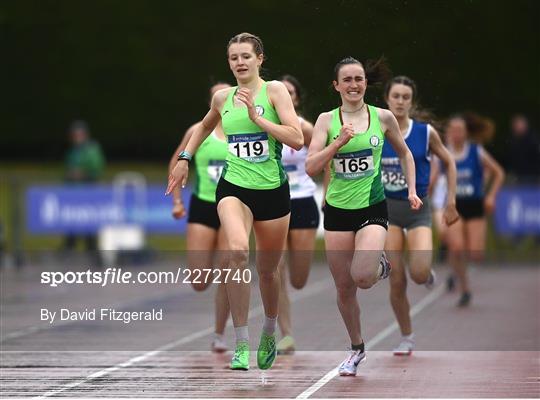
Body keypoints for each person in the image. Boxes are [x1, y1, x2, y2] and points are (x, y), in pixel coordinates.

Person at [166, 33, 303, 371]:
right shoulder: (222, 98)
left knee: (269, 272)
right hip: (233, 187)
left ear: (260, 59)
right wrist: (185, 157)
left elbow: (297, 139)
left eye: (245, 56)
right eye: (233, 58)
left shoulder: (275, 91)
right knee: (237, 253)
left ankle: (269, 331)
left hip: (272, 190)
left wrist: (258, 119)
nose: (240, 62)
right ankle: (241, 342)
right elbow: (202, 128)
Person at [306, 57, 422, 376]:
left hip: (372, 208)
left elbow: (406, 153)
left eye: (359, 78)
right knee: (344, 288)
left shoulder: (382, 118)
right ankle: (356, 349)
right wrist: (338, 143)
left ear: (365, 84)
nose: (354, 84)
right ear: (337, 86)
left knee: (362, 277)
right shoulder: (326, 121)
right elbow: (311, 166)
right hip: (337, 212)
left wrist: (412, 190)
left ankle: (379, 265)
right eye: (348, 80)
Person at [381, 76, 459, 355]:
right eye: (396, 96)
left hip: (417, 211)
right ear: (387, 100)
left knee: (417, 272)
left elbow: (449, 162)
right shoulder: (376, 130)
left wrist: (450, 201)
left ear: (411, 102)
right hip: (387, 212)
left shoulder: (425, 133)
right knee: (396, 277)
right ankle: (406, 336)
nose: (400, 102)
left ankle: (426, 273)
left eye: (406, 97)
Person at [168, 82, 231, 353]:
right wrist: (177, 201)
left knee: (229, 274)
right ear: (212, 101)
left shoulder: (244, 131)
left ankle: (219, 334)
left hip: (233, 207)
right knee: (199, 281)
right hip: (203, 206)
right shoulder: (198, 130)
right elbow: (177, 162)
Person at [276, 75, 319, 354]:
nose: (286, 96)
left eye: (291, 92)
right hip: (274, 202)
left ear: (297, 99)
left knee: (298, 280)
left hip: (303, 202)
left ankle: (287, 331)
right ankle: (286, 334)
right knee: (275, 270)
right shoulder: (263, 125)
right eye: (282, 92)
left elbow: (326, 159)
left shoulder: (306, 128)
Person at [444, 113, 505, 307]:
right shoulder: (443, 153)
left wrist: (491, 196)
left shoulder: (476, 151)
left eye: (460, 130)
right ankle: (465, 289)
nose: (456, 134)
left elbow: (499, 173)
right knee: (456, 246)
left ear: (466, 133)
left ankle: (455, 269)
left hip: (475, 205)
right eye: (453, 130)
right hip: (454, 205)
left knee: (476, 254)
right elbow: (432, 177)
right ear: (448, 133)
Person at [63, 120, 105, 253]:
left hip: (88, 191)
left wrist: (82, 173)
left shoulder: (92, 150)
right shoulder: (73, 152)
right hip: (73, 192)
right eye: (74, 135)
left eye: (79, 135)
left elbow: (96, 168)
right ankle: (70, 247)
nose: (76, 138)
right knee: (71, 222)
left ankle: (91, 248)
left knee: (89, 222)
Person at [506, 114, 540, 184]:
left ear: (525, 125)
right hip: (518, 176)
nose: (516, 127)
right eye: (515, 125)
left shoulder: (534, 140)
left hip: (534, 176)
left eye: (518, 125)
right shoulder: (512, 141)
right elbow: (510, 159)